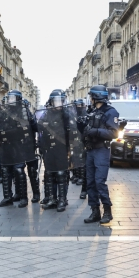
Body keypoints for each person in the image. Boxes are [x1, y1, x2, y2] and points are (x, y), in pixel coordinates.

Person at [77, 85, 119, 224]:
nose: (90, 99)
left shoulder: (110, 112)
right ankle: (95, 211)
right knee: (90, 182)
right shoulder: (92, 111)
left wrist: (95, 131)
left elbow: (114, 133)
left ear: (96, 97)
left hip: (101, 150)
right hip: (90, 150)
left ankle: (107, 212)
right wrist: (81, 125)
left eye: (91, 97)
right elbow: (86, 131)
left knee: (99, 182)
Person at [39, 90, 70, 211]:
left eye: (60, 101)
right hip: (49, 148)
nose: (58, 103)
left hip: (62, 148)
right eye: (56, 101)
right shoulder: (47, 113)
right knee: (49, 173)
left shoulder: (66, 113)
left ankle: (62, 199)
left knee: (61, 174)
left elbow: (71, 130)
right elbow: (39, 126)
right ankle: (52, 198)